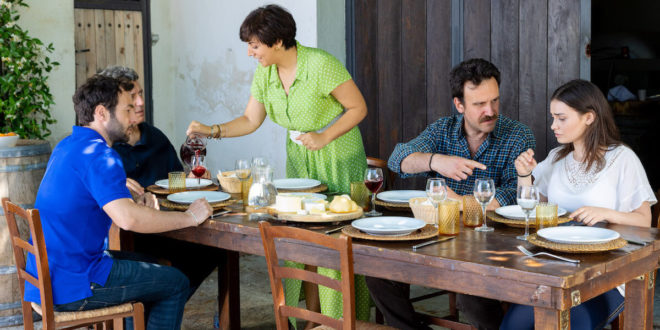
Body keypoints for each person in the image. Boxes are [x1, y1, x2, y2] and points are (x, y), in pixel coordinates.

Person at [185, 4, 370, 326]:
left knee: (333, 240)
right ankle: (310, 321)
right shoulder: (265, 72)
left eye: (254, 44)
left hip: (337, 155)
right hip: (300, 159)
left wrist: (324, 136)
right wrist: (210, 130)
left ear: (278, 41)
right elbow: (250, 120)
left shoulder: (320, 64)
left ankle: (338, 321)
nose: (249, 52)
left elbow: (358, 108)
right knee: (303, 238)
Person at [25, 75, 213, 329]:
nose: (132, 117)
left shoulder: (67, 146)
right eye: (126, 110)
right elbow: (128, 219)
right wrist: (190, 217)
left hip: (49, 276)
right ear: (102, 113)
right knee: (176, 282)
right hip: (75, 283)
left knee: (155, 265)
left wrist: (133, 198)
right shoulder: (101, 156)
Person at [366, 58, 536, 330]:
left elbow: (513, 196)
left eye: (494, 101)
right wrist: (437, 161)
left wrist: (458, 202)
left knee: (471, 294)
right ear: (459, 105)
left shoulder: (517, 135)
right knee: (378, 272)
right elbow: (398, 158)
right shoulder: (442, 130)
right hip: (438, 238)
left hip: (489, 243)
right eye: (479, 104)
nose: (490, 111)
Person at [502, 79, 657, 329]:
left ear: (589, 117)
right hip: (554, 269)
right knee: (513, 326)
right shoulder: (556, 159)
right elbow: (531, 209)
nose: (554, 125)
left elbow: (644, 220)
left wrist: (605, 213)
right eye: (553, 117)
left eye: (561, 118)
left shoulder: (622, 158)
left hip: (606, 274)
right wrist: (524, 175)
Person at [99, 66, 224, 302]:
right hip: (128, 236)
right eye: (131, 98)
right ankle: (158, 303)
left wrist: (188, 180)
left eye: (140, 94)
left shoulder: (153, 136)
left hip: (166, 229)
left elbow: (169, 180)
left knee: (217, 249)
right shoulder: (105, 147)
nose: (140, 102)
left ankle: (160, 304)